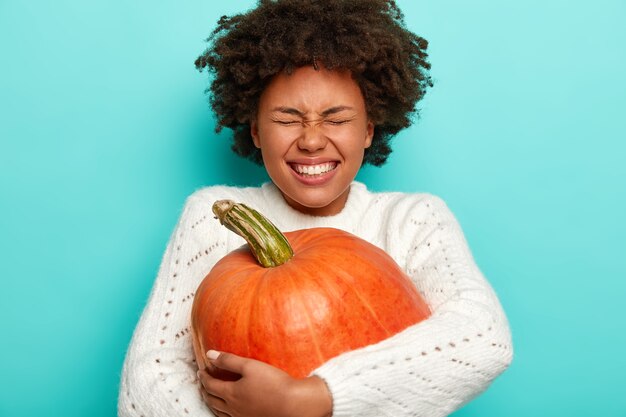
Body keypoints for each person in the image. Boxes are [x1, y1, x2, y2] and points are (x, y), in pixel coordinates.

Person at [118, 1, 513, 416]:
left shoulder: (413, 220)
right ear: (255, 130)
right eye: (287, 119)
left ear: (368, 130)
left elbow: (483, 337)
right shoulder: (211, 217)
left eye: (336, 119)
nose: (311, 140)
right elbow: (148, 380)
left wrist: (313, 399)